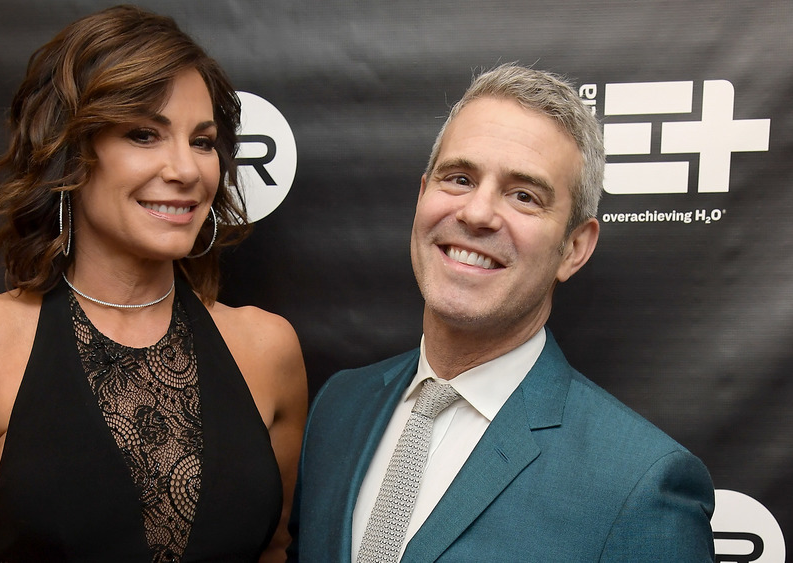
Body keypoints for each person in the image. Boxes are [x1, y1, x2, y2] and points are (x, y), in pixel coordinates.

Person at [0, 6, 307, 562]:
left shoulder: (267, 349)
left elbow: (276, 551)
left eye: (203, 141)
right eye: (144, 134)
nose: (186, 170)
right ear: (70, 150)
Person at [288, 63, 715, 562]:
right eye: (460, 178)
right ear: (422, 194)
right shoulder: (339, 407)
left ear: (575, 247)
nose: (476, 213)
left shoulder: (640, 485)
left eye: (523, 196)